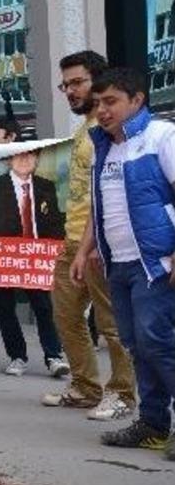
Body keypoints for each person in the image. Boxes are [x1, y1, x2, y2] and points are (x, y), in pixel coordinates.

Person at [70, 67, 175, 459]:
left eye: (111, 101)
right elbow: (101, 210)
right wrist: (83, 251)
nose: (102, 110)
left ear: (137, 100)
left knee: (157, 340)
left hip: (156, 262)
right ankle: (152, 423)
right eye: (98, 103)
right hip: (120, 265)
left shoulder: (161, 137)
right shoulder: (104, 148)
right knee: (136, 344)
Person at [44, 51, 136, 420]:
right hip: (73, 241)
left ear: (98, 79)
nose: (70, 90)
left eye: (77, 82)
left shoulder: (110, 129)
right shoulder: (85, 129)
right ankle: (85, 386)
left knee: (111, 324)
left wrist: (98, 241)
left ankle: (123, 394)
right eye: (65, 85)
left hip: (101, 242)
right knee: (65, 315)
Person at [0, 147, 70, 379]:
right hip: (3, 260)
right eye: (19, 155)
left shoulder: (45, 187)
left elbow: (53, 223)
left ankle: (53, 355)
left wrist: (62, 245)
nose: (24, 159)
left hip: (35, 259)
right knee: (5, 307)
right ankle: (17, 356)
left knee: (44, 307)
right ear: (10, 159)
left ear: (37, 160)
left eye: (30, 155)